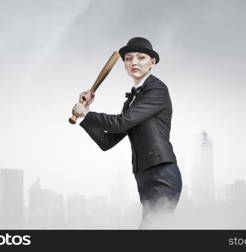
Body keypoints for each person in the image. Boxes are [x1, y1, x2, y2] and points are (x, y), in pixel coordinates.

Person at [72, 37, 182, 229]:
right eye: (129, 59)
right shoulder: (132, 100)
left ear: (152, 62)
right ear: (124, 64)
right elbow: (107, 140)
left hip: (161, 173)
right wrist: (85, 117)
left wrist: (88, 113)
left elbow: (121, 122)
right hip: (144, 176)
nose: (134, 63)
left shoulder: (157, 89)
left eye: (141, 58)